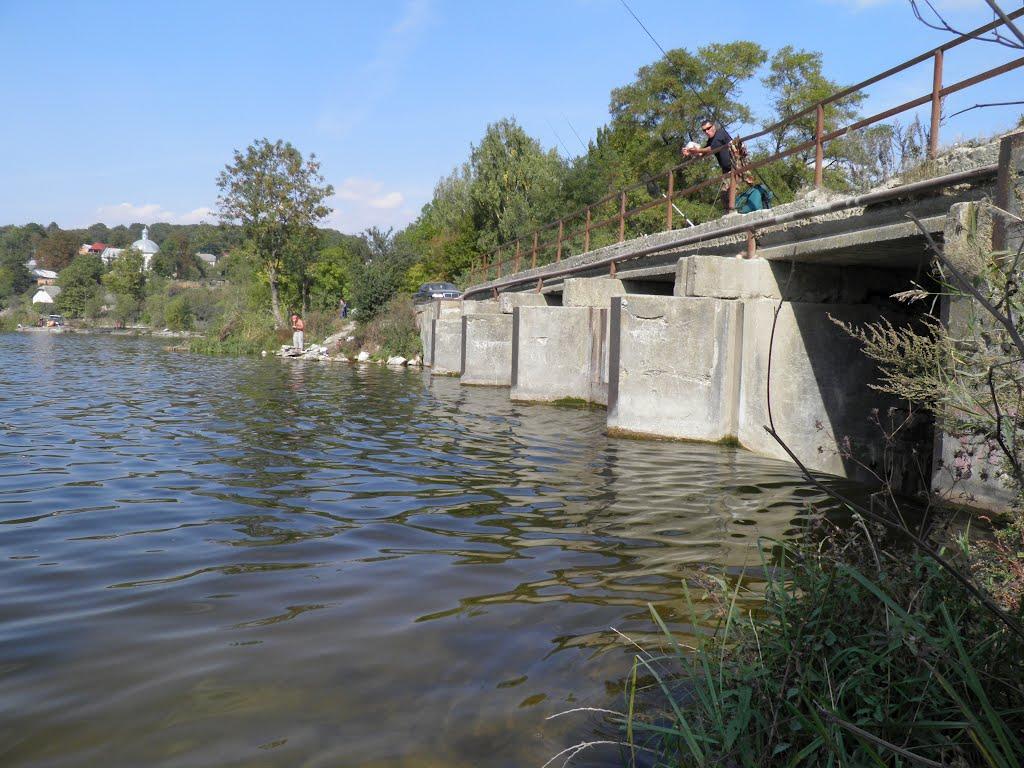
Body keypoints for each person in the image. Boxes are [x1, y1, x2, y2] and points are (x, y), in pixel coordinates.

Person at [682, 120, 737, 214]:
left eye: (708, 128)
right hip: (726, 171)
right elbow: (702, 153)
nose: (707, 131)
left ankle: (733, 213)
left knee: (729, 192)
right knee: (725, 195)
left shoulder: (721, 133)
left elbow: (710, 149)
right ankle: (729, 214)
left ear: (714, 126)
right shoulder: (711, 141)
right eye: (704, 130)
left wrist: (697, 150)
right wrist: (690, 152)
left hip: (736, 167)